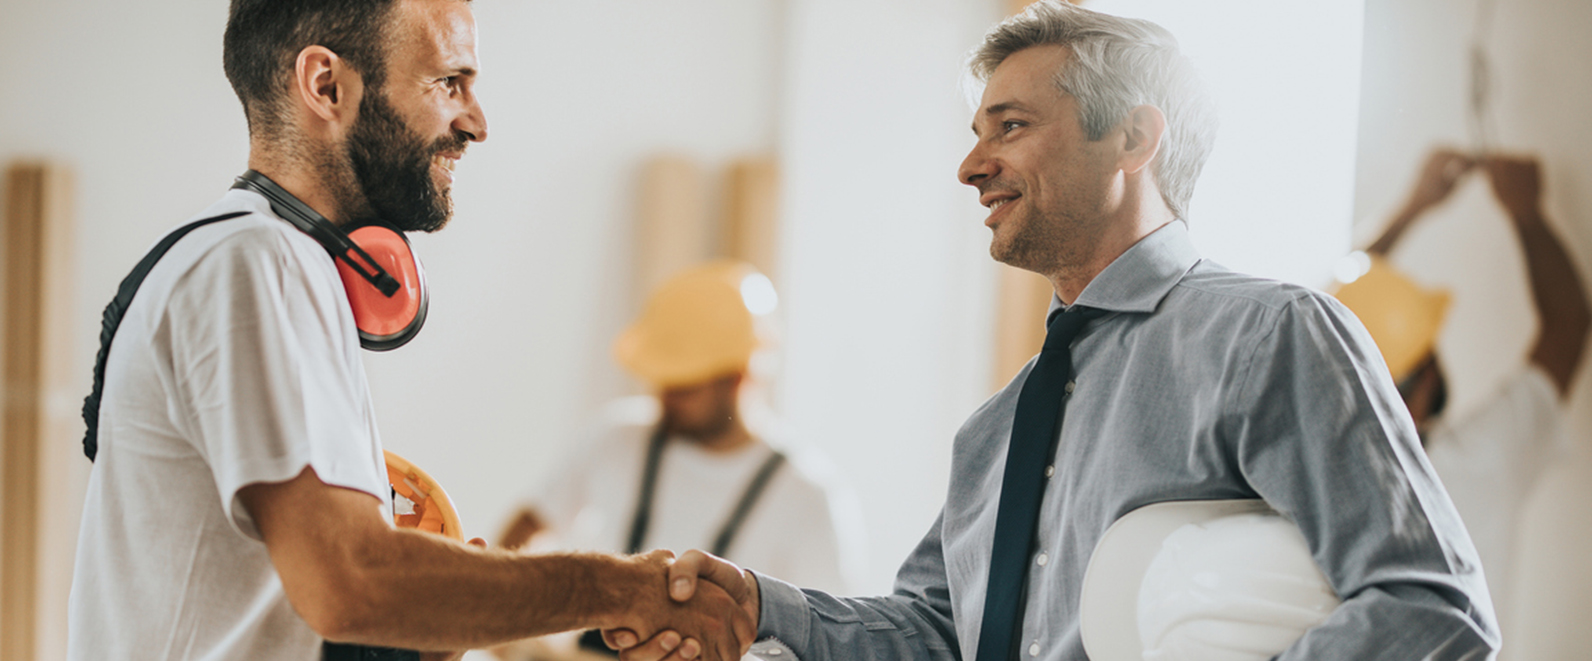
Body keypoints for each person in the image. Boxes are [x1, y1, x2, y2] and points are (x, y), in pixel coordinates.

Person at [609, 2, 1499, 659]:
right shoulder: (997, 427)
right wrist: (762, 608)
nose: (970, 165)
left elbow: (1429, 608)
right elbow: (937, 629)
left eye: (1012, 126)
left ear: (1133, 139)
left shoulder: (1266, 338)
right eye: (975, 132)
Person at [66, 2, 752, 660]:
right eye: (449, 82)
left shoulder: (275, 260)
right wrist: (620, 590)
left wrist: (413, 631)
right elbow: (350, 582)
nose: (476, 122)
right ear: (326, 85)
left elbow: (282, 608)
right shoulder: (252, 264)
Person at [494, 261, 864, 658]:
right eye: (662, 380)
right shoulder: (616, 438)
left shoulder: (806, 496)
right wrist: (524, 642)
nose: (664, 397)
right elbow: (525, 529)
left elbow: (827, 648)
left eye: (684, 386)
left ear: (740, 377)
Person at [1338, 148, 1592, 620]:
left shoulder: (1296, 470)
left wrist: (1410, 207)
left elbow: (1322, 320)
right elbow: (1569, 326)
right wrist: (1528, 213)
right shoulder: (1473, 466)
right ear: (1426, 385)